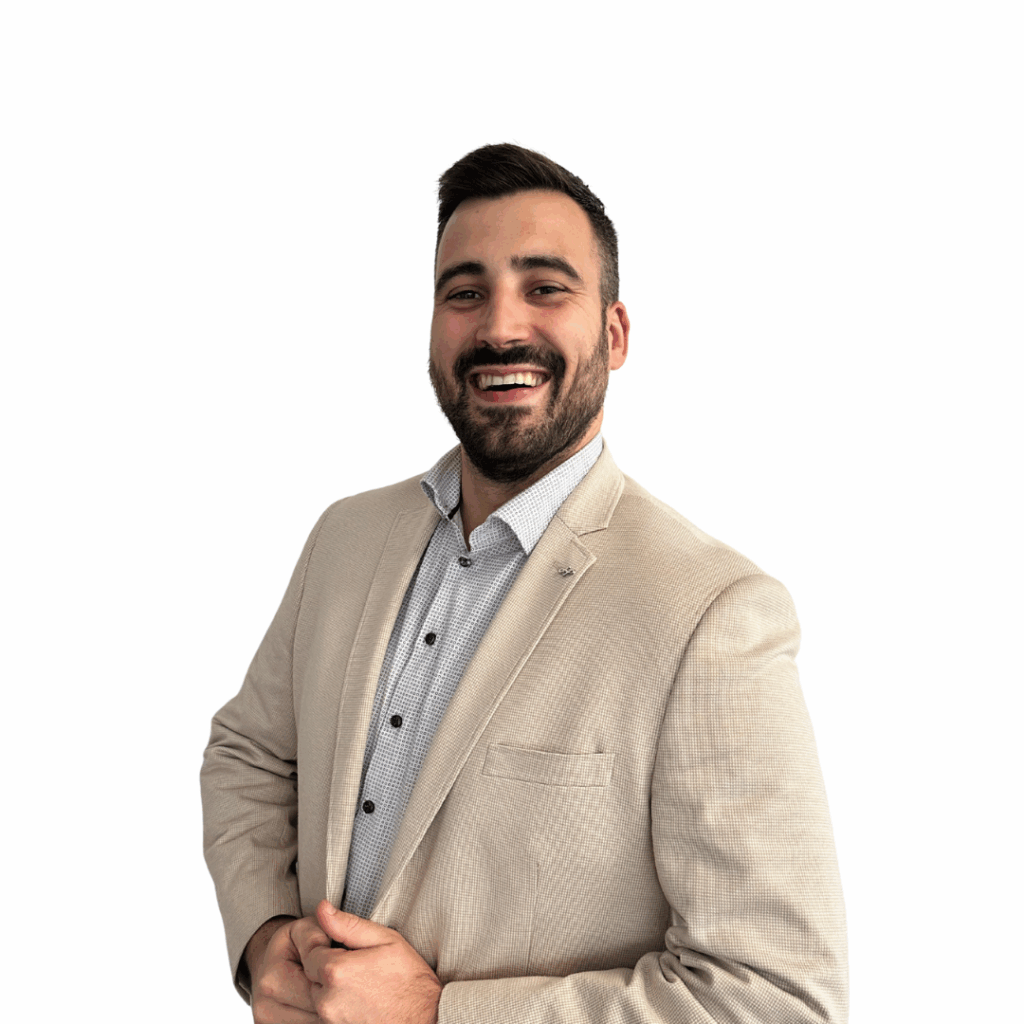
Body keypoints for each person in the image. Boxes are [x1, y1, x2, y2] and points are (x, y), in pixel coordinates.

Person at [201, 143, 848, 1024]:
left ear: (614, 334)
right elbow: (248, 756)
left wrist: (439, 1015)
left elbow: (775, 998)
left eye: (545, 287)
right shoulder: (344, 539)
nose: (500, 327)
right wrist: (264, 936)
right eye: (464, 293)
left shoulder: (713, 615)